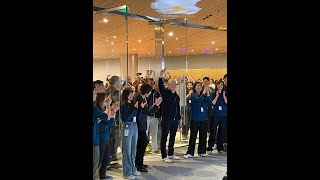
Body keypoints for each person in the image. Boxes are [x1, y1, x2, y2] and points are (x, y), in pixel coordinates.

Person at [134, 84, 162, 172]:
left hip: (141, 124)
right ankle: (138, 164)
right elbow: (147, 112)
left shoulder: (141, 97)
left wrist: (154, 105)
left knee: (143, 143)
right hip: (139, 125)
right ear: (147, 92)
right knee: (141, 144)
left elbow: (146, 110)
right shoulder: (139, 98)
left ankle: (140, 163)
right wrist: (156, 106)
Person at [159, 67, 182, 163]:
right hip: (166, 118)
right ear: (167, 85)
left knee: (173, 137)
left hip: (174, 119)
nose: (172, 85)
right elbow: (160, 87)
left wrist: (179, 119)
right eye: (170, 84)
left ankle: (171, 153)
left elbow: (178, 108)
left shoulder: (176, 96)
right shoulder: (165, 93)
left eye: (174, 84)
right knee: (164, 137)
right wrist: (160, 76)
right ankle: (164, 155)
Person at [183, 83, 211, 158]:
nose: (199, 88)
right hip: (195, 118)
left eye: (200, 86)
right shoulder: (193, 95)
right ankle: (190, 152)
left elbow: (209, 101)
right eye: (197, 86)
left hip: (204, 118)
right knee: (193, 136)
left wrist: (207, 93)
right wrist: (204, 93)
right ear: (194, 88)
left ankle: (202, 151)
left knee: (203, 136)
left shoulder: (204, 94)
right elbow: (198, 100)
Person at [120, 88, 140, 179]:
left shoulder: (132, 103)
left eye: (132, 94)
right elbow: (126, 117)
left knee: (133, 149)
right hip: (127, 126)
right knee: (127, 150)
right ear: (126, 95)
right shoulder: (123, 105)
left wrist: (139, 108)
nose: (132, 95)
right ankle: (127, 172)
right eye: (130, 94)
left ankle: (132, 168)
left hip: (134, 125)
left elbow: (136, 115)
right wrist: (135, 109)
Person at [207, 79, 227, 154]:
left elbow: (226, 102)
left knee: (222, 132)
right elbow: (212, 103)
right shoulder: (213, 93)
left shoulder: (225, 93)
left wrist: (224, 96)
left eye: (221, 85)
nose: (220, 86)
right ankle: (210, 147)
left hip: (224, 115)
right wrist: (217, 96)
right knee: (213, 131)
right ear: (216, 85)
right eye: (218, 84)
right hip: (215, 115)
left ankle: (220, 148)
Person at [105, 76, 121, 163]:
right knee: (114, 139)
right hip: (114, 117)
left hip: (107, 117)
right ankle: (112, 157)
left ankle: (109, 158)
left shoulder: (106, 90)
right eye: (119, 81)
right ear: (115, 82)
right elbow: (118, 105)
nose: (120, 83)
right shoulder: (115, 92)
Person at [146, 78, 161, 154]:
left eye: (152, 83)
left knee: (154, 133)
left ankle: (154, 148)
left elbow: (159, 103)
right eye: (150, 83)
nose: (151, 85)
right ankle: (145, 147)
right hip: (146, 116)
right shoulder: (144, 93)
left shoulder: (156, 93)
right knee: (145, 133)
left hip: (154, 116)